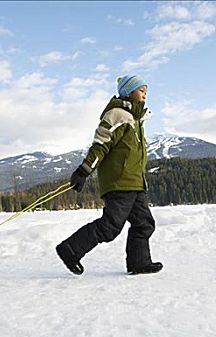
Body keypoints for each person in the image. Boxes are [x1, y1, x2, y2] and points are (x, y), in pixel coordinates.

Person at [56, 75, 163, 276]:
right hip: (120, 182)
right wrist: (84, 170)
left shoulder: (136, 119)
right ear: (128, 92)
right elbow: (101, 145)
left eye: (146, 91)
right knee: (111, 226)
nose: (145, 95)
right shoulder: (117, 115)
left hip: (136, 183)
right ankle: (70, 249)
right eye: (141, 90)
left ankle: (139, 262)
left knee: (144, 223)